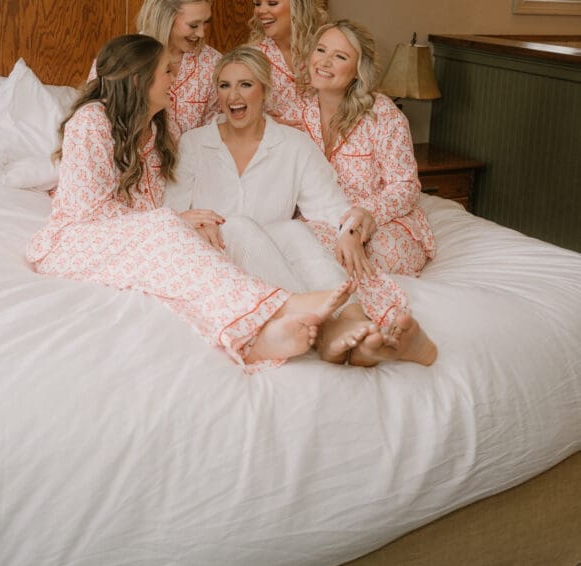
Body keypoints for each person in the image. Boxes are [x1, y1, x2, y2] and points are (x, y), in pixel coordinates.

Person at [26, 34, 353, 372]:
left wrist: (180, 224)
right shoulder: (92, 120)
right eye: (167, 72)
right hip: (77, 241)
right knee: (171, 230)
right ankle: (284, 305)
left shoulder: (160, 128)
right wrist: (172, 222)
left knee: (190, 267)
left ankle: (254, 341)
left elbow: (158, 205)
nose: (175, 79)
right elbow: (88, 212)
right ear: (139, 79)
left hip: (137, 241)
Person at [164, 45, 437, 367]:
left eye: (245, 84)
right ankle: (325, 330)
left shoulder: (293, 145)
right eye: (224, 85)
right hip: (216, 257)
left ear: (265, 90)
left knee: (294, 230)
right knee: (237, 225)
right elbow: (170, 214)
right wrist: (193, 221)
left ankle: (354, 318)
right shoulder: (194, 143)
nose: (233, 95)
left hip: (268, 258)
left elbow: (331, 209)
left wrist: (351, 230)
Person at [302, 20, 435, 278]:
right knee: (304, 248)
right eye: (321, 50)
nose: (324, 62)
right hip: (323, 219)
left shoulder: (383, 115)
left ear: (358, 70)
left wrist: (363, 215)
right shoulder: (298, 112)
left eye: (340, 56)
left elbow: (405, 186)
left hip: (380, 220)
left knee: (381, 251)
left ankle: (372, 298)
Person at [88, 0, 221, 135]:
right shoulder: (120, 58)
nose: (201, 33)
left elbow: (218, 131)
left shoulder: (214, 63)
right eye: (193, 25)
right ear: (165, 17)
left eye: (206, 22)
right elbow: (95, 123)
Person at [249, 0, 329, 126]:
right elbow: (231, 111)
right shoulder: (251, 58)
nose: (260, 11)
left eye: (272, 3)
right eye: (257, 3)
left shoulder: (328, 48)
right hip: (277, 140)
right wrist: (262, 122)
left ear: (298, 5)